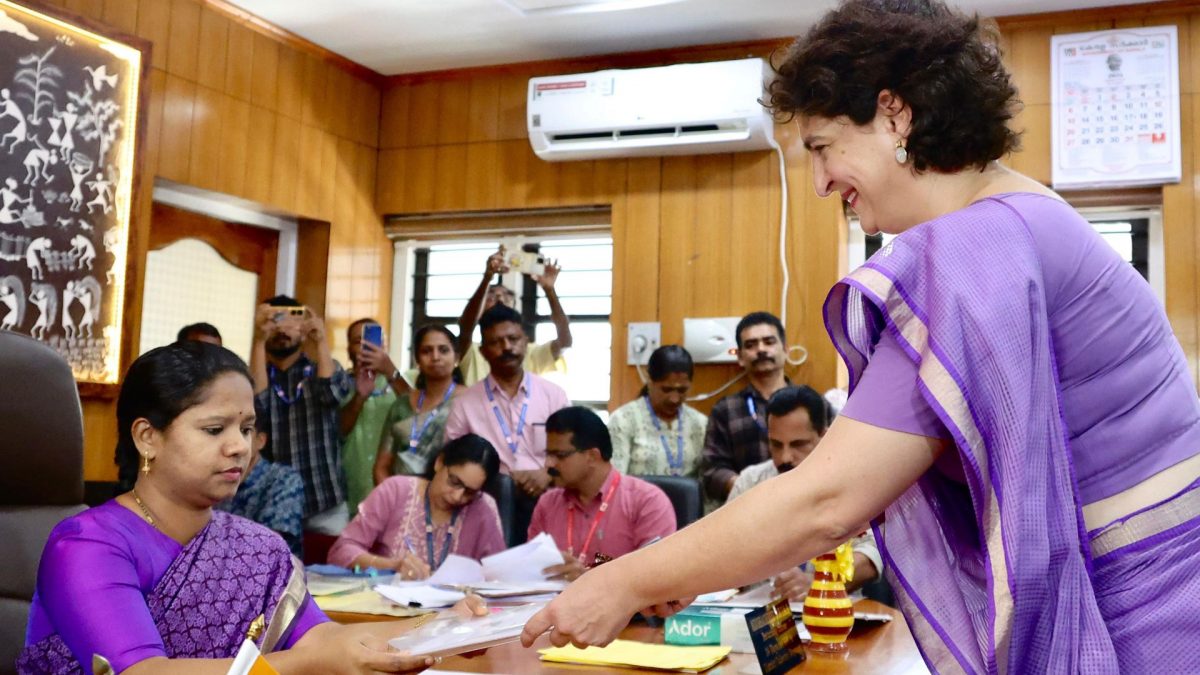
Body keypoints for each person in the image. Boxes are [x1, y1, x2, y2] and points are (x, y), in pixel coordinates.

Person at [521, 2, 1200, 672]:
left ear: (894, 114)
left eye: (821, 147)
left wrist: (624, 580)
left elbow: (827, 500)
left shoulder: (978, 245)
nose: (820, 183)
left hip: (1142, 620)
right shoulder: (1022, 215)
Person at [20, 341, 444, 673]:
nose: (239, 446)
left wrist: (444, 626)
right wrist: (309, 663)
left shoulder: (257, 547)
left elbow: (323, 639)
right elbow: (143, 672)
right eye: (214, 429)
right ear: (148, 437)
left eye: (246, 428)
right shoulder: (87, 545)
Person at [728, 386, 879, 600]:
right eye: (776, 445)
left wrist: (821, 582)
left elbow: (874, 551)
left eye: (798, 444)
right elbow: (723, 551)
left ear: (824, 436)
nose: (785, 457)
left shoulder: (851, 485)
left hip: (831, 609)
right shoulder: (749, 483)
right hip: (758, 609)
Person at [444, 304, 571, 540]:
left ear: (525, 342)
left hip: (548, 494)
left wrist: (548, 473)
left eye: (513, 339)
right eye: (496, 342)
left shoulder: (553, 395)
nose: (507, 348)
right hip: (489, 501)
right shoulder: (466, 403)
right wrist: (502, 477)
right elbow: (453, 462)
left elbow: (573, 449)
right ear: (483, 352)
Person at [528, 407, 676, 582]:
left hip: (622, 600)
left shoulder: (647, 502)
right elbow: (532, 570)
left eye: (559, 455)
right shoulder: (548, 504)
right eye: (548, 454)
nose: (548, 464)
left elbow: (655, 576)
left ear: (592, 456)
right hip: (555, 598)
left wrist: (589, 578)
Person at [329, 434, 506, 580]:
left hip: (455, 608)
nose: (457, 496)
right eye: (454, 481)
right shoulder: (396, 491)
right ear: (439, 462)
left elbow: (500, 577)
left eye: (470, 492)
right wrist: (392, 566)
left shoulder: (483, 509)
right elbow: (341, 550)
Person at [249, 295, 354, 536]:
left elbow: (331, 393)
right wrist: (259, 339)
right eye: (276, 320)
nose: (282, 329)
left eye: (291, 320)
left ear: (304, 329)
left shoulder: (322, 368)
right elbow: (255, 407)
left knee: (332, 560)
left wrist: (321, 341)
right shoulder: (257, 374)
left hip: (325, 501)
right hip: (274, 502)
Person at [700, 311, 791, 504]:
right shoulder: (725, 409)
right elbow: (712, 471)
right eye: (751, 345)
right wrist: (749, 489)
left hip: (804, 506)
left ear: (786, 350)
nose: (761, 349)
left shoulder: (812, 405)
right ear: (740, 357)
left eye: (769, 342)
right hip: (745, 507)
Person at [455, 245, 572, 386]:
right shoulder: (472, 351)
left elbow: (564, 341)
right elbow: (466, 327)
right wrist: (487, 278)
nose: (499, 298)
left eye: (507, 296)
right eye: (491, 295)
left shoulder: (530, 352)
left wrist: (549, 290)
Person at [375, 324, 462, 483]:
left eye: (443, 350)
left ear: (457, 358)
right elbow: (381, 467)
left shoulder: (469, 401)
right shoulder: (401, 405)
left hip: (451, 492)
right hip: (400, 494)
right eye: (426, 351)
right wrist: (393, 495)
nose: (435, 357)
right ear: (417, 360)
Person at [217, 399, 305, 556]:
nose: (233, 443)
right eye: (219, 431)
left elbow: (270, 548)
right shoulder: (212, 477)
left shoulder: (283, 479)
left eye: (245, 431)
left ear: (260, 441)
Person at [609, 345, 707, 479]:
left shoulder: (701, 424)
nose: (674, 399)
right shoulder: (623, 420)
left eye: (682, 390)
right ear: (649, 381)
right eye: (666, 389)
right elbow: (615, 481)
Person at [339, 317, 403, 516]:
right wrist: (359, 397)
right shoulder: (338, 384)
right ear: (349, 349)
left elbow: (419, 410)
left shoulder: (402, 381)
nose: (365, 346)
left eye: (372, 340)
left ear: (385, 346)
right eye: (358, 341)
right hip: (351, 488)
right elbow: (339, 431)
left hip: (394, 487)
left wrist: (390, 371)